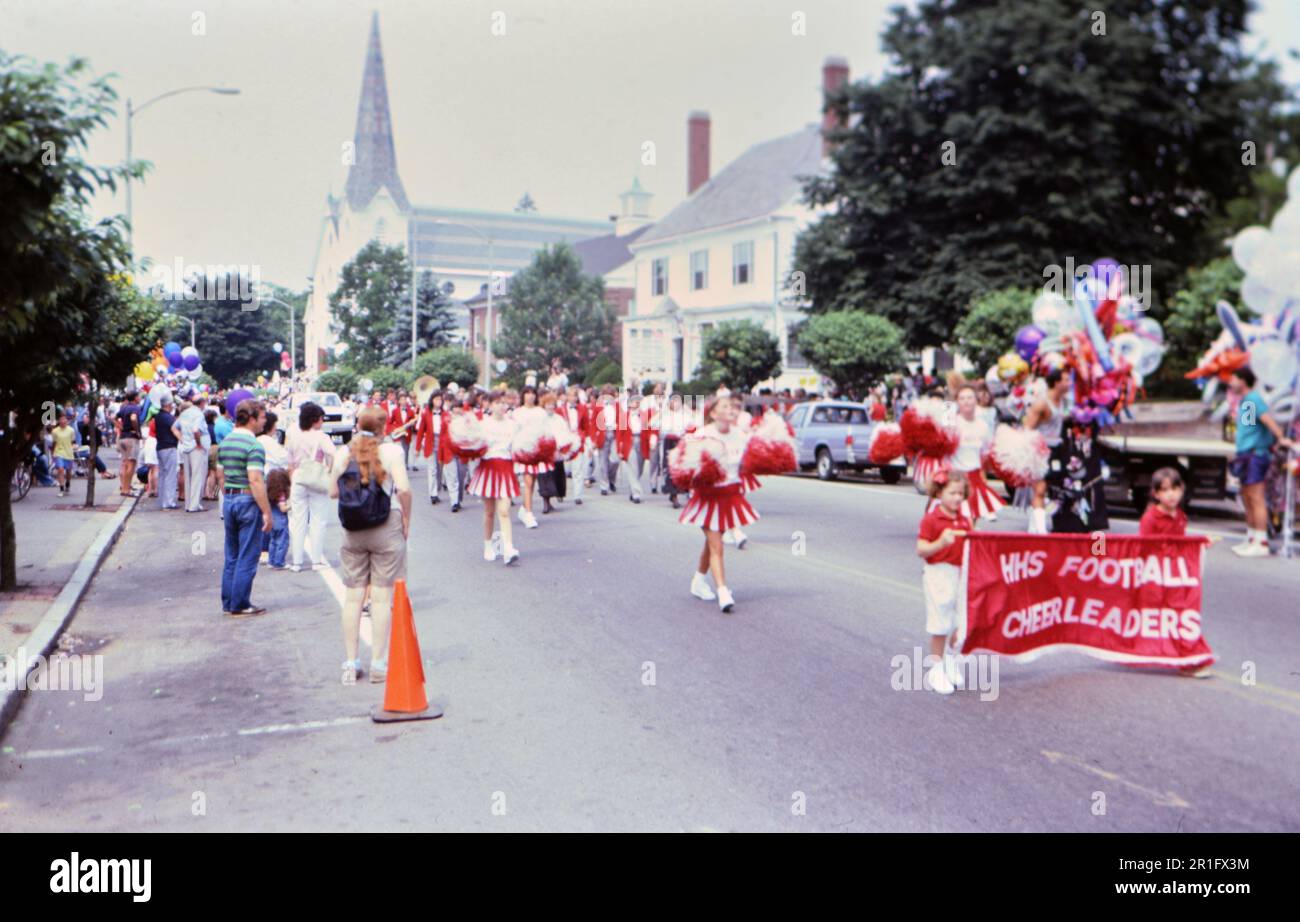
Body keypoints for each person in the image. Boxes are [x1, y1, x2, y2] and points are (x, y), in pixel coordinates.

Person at [329, 406, 412, 684]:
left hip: (353, 529)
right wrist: (406, 521)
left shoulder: (343, 453)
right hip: (385, 525)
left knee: (353, 598)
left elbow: (332, 491)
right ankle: (378, 663)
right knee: (381, 599)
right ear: (384, 427)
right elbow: (404, 489)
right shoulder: (392, 452)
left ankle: (351, 662)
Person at [680, 394, 757, 613]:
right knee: (716, 544)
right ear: (713, 413)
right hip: (707, 497)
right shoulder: (702, 435)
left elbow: (747, 464)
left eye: (732, 407)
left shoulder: (740, 435)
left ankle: (698, 581)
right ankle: (723, 591)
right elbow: (684, 463)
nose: (730, 410)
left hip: (729, 495)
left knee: (714, 540)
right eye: (725, 406)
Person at [1227, 368, 1295, 557]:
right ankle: (1251, 537)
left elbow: (1267, 420)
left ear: (1243, 381)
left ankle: (1261, 541)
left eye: (1234, 378)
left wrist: (1281, 437)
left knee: (1256, 497)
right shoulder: (1246, 401)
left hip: (1255, 455)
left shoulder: (1254, 399)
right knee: (1247, 496)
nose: (1231, 382)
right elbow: (1251, 427)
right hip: (1246, 453)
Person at [916, 470, 972, 695]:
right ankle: (936, 668)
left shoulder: (964, 520)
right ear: (939, 493)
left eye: (960, 493)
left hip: (961, 572)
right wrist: (940, 542)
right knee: (940, 622)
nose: (957, 498)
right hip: (939, 572)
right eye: (952, 493)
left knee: (962, 621)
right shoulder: (931, 519)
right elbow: (921, 549)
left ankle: (950, 658)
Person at [218, 399, 273, 617]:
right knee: (248, 555)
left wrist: (229, 497)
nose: (264, 422)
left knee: (231, 555)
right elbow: (256, 480)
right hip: (248, 501)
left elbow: (220, 476)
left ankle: (229, 600)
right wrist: (267, 511)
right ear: (251, 419)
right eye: (261, 418)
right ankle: (240, 603)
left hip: (230, 499)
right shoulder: (254, 445)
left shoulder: (226, 442)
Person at [470, 391, 521, 564]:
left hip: (506, 467)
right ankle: (488, 545)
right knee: (489, 511)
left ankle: (508, 548)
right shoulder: (483, 424)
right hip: (488, 466)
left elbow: (517, 447)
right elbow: (476, 447)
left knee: (505, 510)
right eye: (498, 403)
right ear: (490, 405)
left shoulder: (513, 425)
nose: (501, 406)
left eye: (504, 403)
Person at [287, 402, 336, 572]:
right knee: (318, 521)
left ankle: (297, 562)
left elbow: (290, 464)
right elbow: (333, 454)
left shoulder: (294, 436)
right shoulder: (322, 437)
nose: (323, 421)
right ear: (315, 419)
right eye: (322, 418)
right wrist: (329, 470)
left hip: (298, 479)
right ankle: (316, 561)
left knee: (298, 521)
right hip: (316, 479)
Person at [1021, 368, 1070, 534]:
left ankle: (1034, 524)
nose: (1069, 383)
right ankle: (1040, 531)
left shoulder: (1064, 401)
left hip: (1057, 450)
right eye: (1066, 380)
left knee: (1054, 488)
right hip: (1040, 450)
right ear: (1056, 383)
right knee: (1040, 489)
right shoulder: (1041, 403)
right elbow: (1027, 428)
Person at [951, 384, 1002, 522]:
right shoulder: (951, 423)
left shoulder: (983, 426)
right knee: (954, 519)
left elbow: (985, 453)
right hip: (953, 476)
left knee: (972, 517)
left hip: (974, 476)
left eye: (970, 397)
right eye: (962, 398)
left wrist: (982, 473)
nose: (966, 401)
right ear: (956, 402)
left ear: (976, 400)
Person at [513, 385, 550, 527]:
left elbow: (545, 430)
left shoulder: (541, 412)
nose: (530, 396)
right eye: (527, 393)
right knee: (527, 482)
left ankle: (524, 508)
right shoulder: (517, 413)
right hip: (523, 450)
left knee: (532, 481)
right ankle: (528, 514)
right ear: (523, 396)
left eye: (532, 393)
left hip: (537, 449)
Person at [176, 393, 210, 512]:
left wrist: (182, 439)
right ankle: (194, 505)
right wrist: (199, 443)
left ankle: (189, 504)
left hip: (186, 446)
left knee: (188, 476)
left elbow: (174, 428)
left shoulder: (185, 413)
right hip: (196, 447)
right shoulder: (199, 414)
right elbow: (196, 430)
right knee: (197, 475)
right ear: (202, 403)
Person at [1140, 467, 1188, 537]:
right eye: (1165, 490)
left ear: (1181, 490)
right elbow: (1145, 545)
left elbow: (1182, 544)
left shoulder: (1181, 516)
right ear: (1156, 494)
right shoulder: (1150, 518)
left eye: (1174, 489)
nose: (1171, 494)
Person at [114, 391, 142, 496]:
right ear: (135, 398)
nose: (139, 398)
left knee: (125, 463)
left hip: (123, 437)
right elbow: (133, 418)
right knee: (131, 463)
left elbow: (114, 418)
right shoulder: (135, 408)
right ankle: (126, 489)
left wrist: (121, 427)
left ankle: (123, 487)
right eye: (138, 396)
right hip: (131, 437)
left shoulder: (124, 408)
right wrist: (137, 430)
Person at [263, 468, 292, 569]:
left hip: (272, 521)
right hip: (281, 522)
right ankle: (279, 562)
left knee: (273, 541)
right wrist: (292, 505)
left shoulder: (269, 493)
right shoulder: (281, 494)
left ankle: (271, 561)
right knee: (282, 542)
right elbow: (283, 508)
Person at [155, 395, 180, 510]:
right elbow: (175, 429)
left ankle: (162, 500)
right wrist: (183, 440)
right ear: (169, 405)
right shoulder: (168, 417)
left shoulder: (158, 416)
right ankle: (169, 502)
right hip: (169, 446)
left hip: (160, 446)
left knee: (163, 475)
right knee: (170, 475)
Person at [50, 412, 76, 495]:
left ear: (67, 421)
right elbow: (54, 443)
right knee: (60, 469)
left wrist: (74, 447)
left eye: (64, 419)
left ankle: (67, 483)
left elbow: (73, 442)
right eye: (61, 419)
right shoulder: (55, 431)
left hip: (68, 453)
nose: (63, 421)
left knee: (68, 472)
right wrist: (53, 453)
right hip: (59, 452)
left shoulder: (71, 430)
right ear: (59, 421)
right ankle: (61, 488)